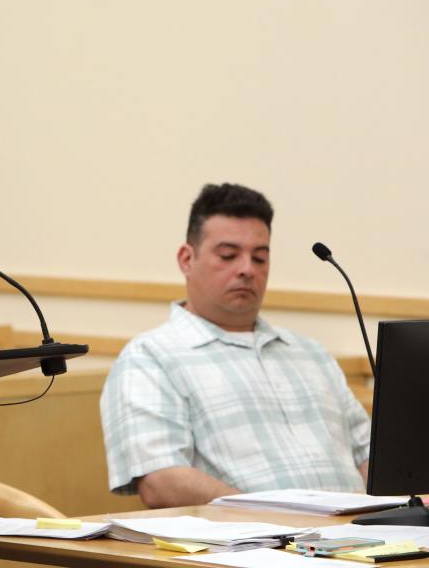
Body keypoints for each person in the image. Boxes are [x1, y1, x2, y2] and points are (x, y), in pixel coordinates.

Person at [100, 183, 370, 509]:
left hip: (364, 539)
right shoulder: (150, 358)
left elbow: (372, 457)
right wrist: (277, 517)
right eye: (228, 255)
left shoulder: (310, 353)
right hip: (255, 545)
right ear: (187, 259)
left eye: (259, 258)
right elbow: (162, 481)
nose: (247, 269)